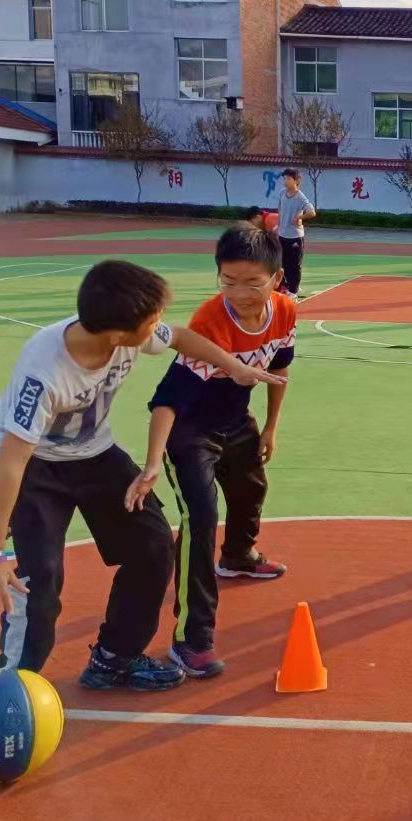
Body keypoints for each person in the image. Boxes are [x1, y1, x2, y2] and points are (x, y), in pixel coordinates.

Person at [0, 260, 286, 692]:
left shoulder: (126, 330)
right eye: (153, 320)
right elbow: (11, 462)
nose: (159, 324)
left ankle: (114, 657)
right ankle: (11, 682)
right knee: (40, 577)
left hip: (94, 453)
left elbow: (181, 336)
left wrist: (234, 366)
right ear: (118, 335)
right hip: (36, 465)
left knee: (152, 545)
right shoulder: (44, 372)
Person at [126, 227, 296, 678]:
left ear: (276, 279)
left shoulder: (285, 311)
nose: (239, 293)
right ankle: (191, 639)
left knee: (251, 488)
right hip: (189, 430)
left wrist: (271, 426)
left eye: (252, 283)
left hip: (237, 420)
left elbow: (280, 369)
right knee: (200, 519)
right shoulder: (209, 323)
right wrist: (152, 463)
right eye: (228, 281)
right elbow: (166, 400)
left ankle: (238, 556)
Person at [275, 168, 317, 296]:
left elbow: (312, 212)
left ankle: (294, 291)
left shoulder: (300, 197)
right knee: (282, 263)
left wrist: (300, 217)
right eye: (284, 179)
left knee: (294, 264)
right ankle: (285, 286)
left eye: (288, 179)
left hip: (295, 237)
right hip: (282, 235)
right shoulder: (282, 193)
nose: (285, 181)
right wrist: (279, 226)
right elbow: (280, 209)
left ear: (296, 180)